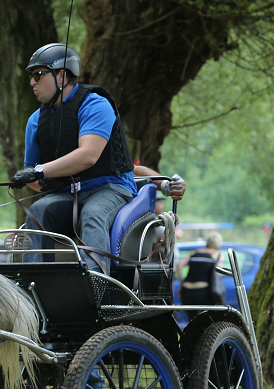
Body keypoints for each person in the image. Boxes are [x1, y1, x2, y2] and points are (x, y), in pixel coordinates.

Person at [11, 43, 185, 274]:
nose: (32, 82)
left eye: (38, 75)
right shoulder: (35, 120)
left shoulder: (95, 104)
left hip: (110, 189)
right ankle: (33, 285)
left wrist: (40, 171)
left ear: (61, 75)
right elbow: (35, 179)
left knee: (93, 214)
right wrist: (31, 177)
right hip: (68, 193)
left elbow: (88, 156)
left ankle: (96, 285)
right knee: (39, 210)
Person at [177, 231, 223, 305]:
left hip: (186, 291)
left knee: (192, 316)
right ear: (219, 247)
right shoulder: (217, 255)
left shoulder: (195, 252)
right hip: (203, 292)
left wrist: (182, 283)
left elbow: (179, 264)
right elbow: (218, 274)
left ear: (206, 244)